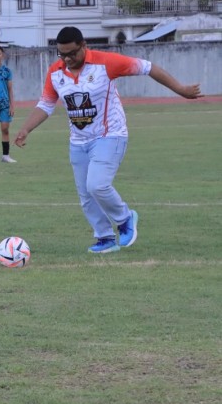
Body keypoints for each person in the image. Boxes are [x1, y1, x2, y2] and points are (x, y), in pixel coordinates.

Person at [14, 26, 203, 254]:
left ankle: (125, 219)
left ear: (84, 46)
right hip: (78, 141)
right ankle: (105, 237)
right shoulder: (55, 72)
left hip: (110, 135)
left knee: (97, 184)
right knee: (86, 194)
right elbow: (46, 104)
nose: (67, 59)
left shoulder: (106, 63)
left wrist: (181, 89)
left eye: (72, 53)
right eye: (61, 54)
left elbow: (148, 67)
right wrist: (26, 129)